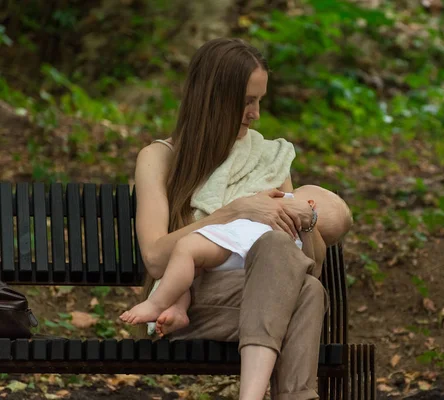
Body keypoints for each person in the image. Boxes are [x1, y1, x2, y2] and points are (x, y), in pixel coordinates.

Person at [132, 37, 352, 400]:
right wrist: (234, 211)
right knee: (306, 293)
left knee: (303, 280)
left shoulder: (267, 158)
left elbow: (308, 264)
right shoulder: (160, 158)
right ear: (214, 98)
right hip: (190, 299)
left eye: (259, 101)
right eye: (248, 101)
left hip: (263, 293)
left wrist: (307, 222)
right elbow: (155, 258)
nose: (256, 114)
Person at [120, 185, 351, 337]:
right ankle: (179, 309)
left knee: (185, 249)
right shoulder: (300, 242)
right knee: (190, 271)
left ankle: (157, 303)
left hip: (235, 246)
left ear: (310, 204)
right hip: (248, 264)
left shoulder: (287, 202)